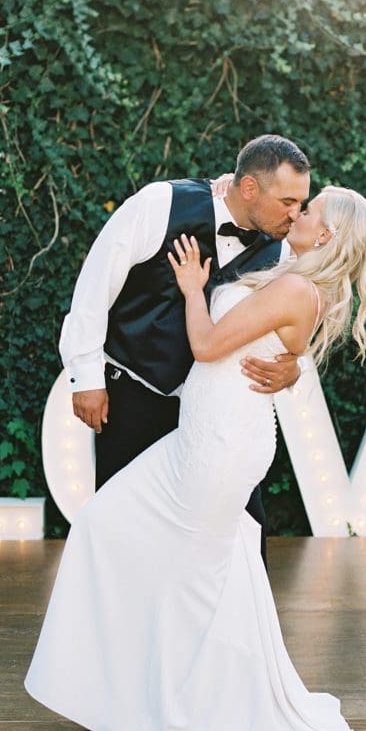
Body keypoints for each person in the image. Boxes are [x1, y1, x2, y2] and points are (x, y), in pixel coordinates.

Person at [25, 185, 366, 731]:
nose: (297, 212)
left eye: (308, 208)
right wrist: (293, 363)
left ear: (327, 234)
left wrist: (194, 289)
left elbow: (209, 345)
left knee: (165, 562)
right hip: (204, 438)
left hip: (219, 446)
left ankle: (184, 706)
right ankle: (172, 691)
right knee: (201, 566)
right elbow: (283, 339)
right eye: (294, 202)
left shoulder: (295, 284)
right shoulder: (293, 273)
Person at [60, 134, 311, 564]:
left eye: (301, 203)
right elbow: (95, 284)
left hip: (219, 416)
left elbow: (299, 321)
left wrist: (296, 367)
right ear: (249, 188)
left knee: (243, 539)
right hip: (136, 395)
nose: (295, 213)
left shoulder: (286, 250)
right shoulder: (161, 203)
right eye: (287, 201)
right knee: (124, 531)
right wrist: (86, 377)